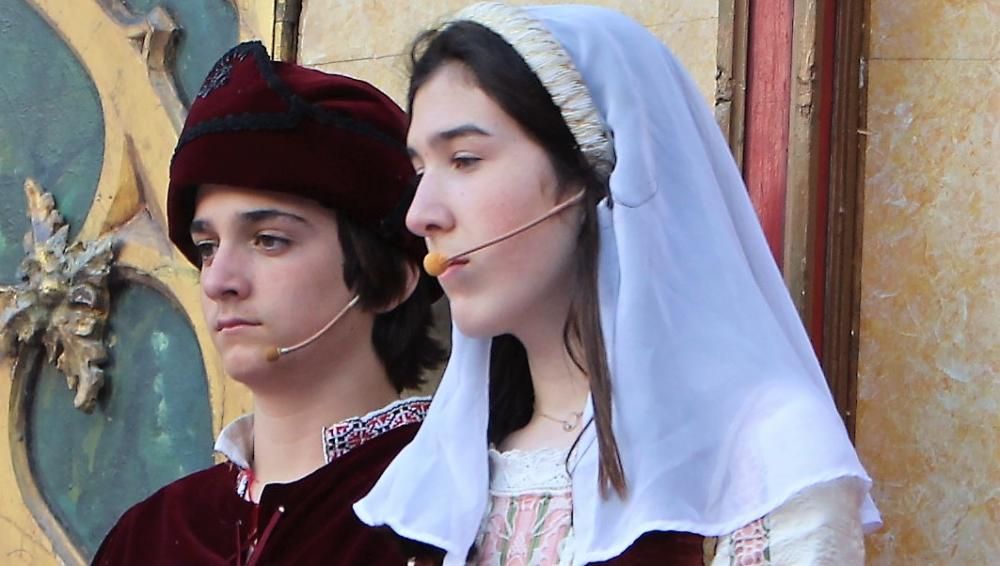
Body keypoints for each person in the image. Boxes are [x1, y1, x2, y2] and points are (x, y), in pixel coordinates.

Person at [355, 3, 880, 565]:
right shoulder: (438, 482)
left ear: (590, 174)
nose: (421, 215)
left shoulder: (759, 460)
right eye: (419, 172)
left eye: (464, 159)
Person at [93, 41, 445, 565]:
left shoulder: (448, 508)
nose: (219, 282)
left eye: (269, 240)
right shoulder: (149, 534)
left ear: (392, 279)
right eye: (208, 247)